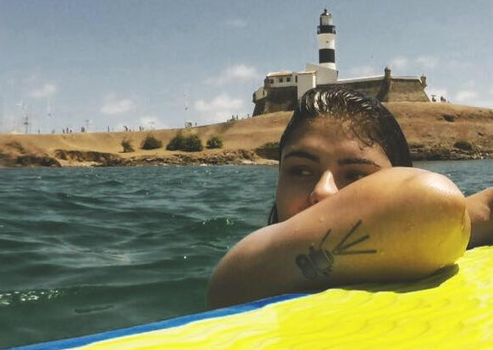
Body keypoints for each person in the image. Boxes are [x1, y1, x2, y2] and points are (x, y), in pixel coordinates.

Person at [207, 86, 493, 309]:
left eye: (355, 176)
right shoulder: (241, 274)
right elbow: (432, 206)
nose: (323, 190)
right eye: (301, 171)